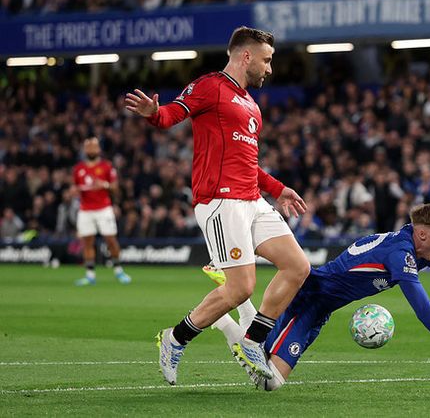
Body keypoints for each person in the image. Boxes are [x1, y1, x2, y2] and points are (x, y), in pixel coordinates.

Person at [125, 26, 310, 384]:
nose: (269, 69)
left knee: (297, 266)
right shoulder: (210, 86)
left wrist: (279, 189)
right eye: (266, 60)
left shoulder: (251, 105)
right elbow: (171, 115)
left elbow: (248, 163)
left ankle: (252, 339)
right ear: (246, 56)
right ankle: (174, 338)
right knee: (240, 289)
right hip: (220, 201)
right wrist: (153, 113)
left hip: (252, 200)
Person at [206, 203, 430, 391]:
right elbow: (423, 309)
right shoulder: (400, 254)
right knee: (267, 380)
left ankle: (239, 307)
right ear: (422, 234)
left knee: (268, 373)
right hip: (306, 299)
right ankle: (226, 315)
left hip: (323, 308)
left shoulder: (422, 250)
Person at [72, 137, 131, 286]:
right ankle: (90, 275)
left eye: (94, 147)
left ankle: (118, 270)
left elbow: (116, 188)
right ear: (85, 150)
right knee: (87, 242)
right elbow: (75, 188)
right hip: (85, 209)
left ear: (98, 149)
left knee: (111, 240)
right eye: (88, 148)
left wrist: (104, 184)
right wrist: (73, 191)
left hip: (103, 208)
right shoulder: (78, 169)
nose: (91, 150)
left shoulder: (106, 166)